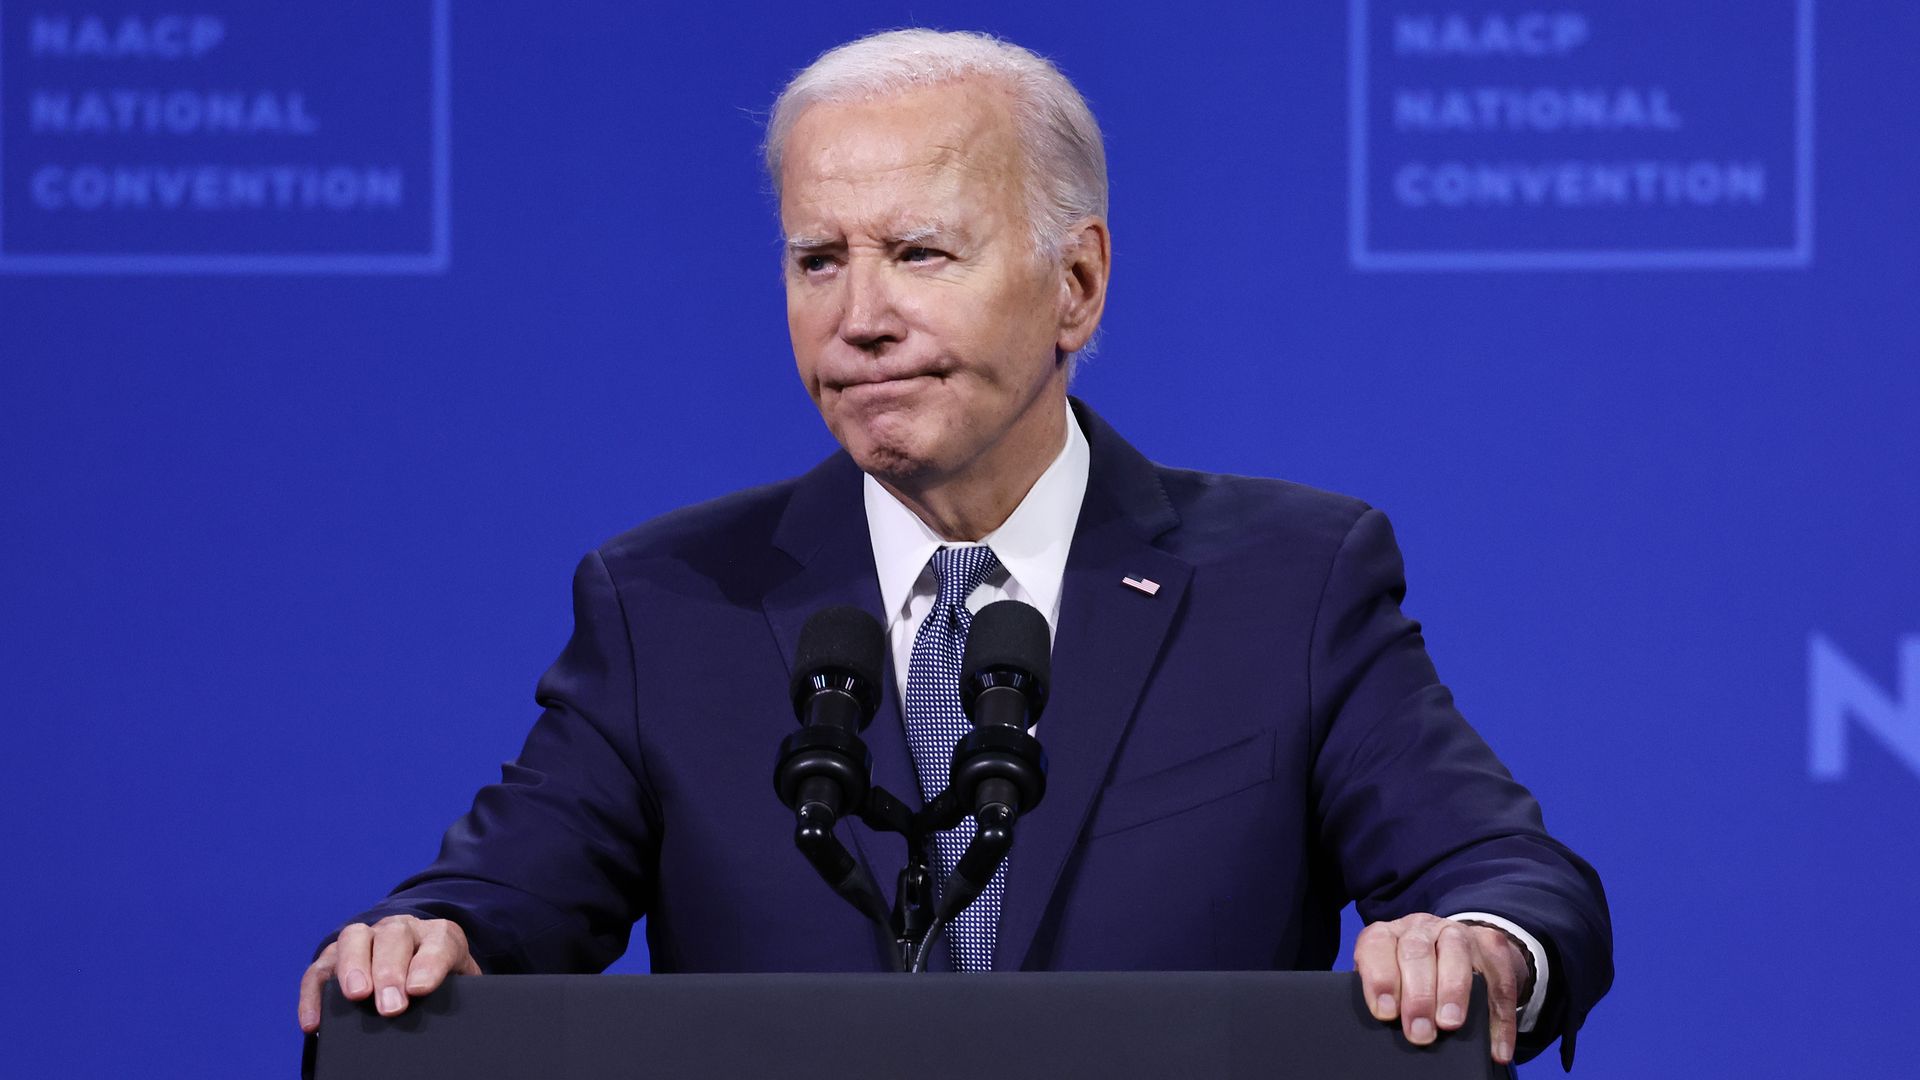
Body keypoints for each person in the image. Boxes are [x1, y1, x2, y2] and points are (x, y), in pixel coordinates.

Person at [298, 29, 1611, 1069]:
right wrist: (429, 944)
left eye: (919, 252)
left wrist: (1477, 948)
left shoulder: (1289, 580)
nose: (859, 316)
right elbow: (496, 901)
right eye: (819, 261)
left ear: (1075, 285)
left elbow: (1507, 879)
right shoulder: (668, 602)